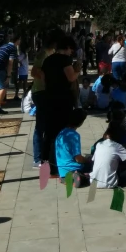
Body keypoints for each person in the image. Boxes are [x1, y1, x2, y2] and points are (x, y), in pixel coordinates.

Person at [42, 34, 81, 174]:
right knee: (61, 131)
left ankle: (45, 162)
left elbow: (44, 78)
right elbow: (71, 77)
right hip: (62, 98)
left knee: (49, 131)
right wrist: (77, 70)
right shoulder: (65, 60)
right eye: (71, 50)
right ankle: (58, 163)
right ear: (68, 47)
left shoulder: (47, 60)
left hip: (49, 97)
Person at [31, 33, 57, 167]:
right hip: (40, 92)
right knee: (40, 126)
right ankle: (37, 158)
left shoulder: (50, 54)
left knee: (46, 125)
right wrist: (45, 79)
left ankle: (44, 155)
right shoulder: (43, 55)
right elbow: (34, 71)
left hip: (45, 92)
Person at [90, 122, 126, 188]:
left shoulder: (99, 144)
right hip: (111, 184)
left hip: (94, 182)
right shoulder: (117, 146)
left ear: (105, 135)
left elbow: (93, 160)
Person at [55, 108, 92, 179]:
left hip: (62, 170)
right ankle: (77, 176)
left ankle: (66, 178)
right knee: (93, 165)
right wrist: (88, 160)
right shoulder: (74, 135)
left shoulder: (61, 133)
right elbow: (78, 159)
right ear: (81, 122)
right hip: (72, 169)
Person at [0, 33, 20, 114]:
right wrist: (8, 76)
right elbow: (10, 62)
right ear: (17, 40)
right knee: (3, 88)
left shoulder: (4, 46)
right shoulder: (13, 48)